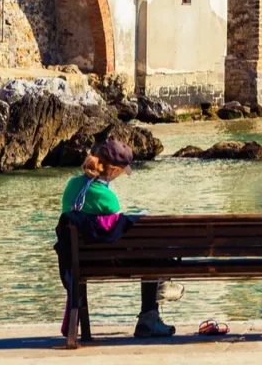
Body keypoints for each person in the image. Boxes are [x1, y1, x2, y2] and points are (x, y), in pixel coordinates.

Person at [61, 141, 176, 338]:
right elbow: (117, 235)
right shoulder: (107, 197)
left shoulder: (72, 185)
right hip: (109, 261)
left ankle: (162, 287)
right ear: (114, 171)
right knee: (152, 255)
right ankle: (149, 318)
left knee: (151, 254)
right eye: (121, 172)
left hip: (78, 262)